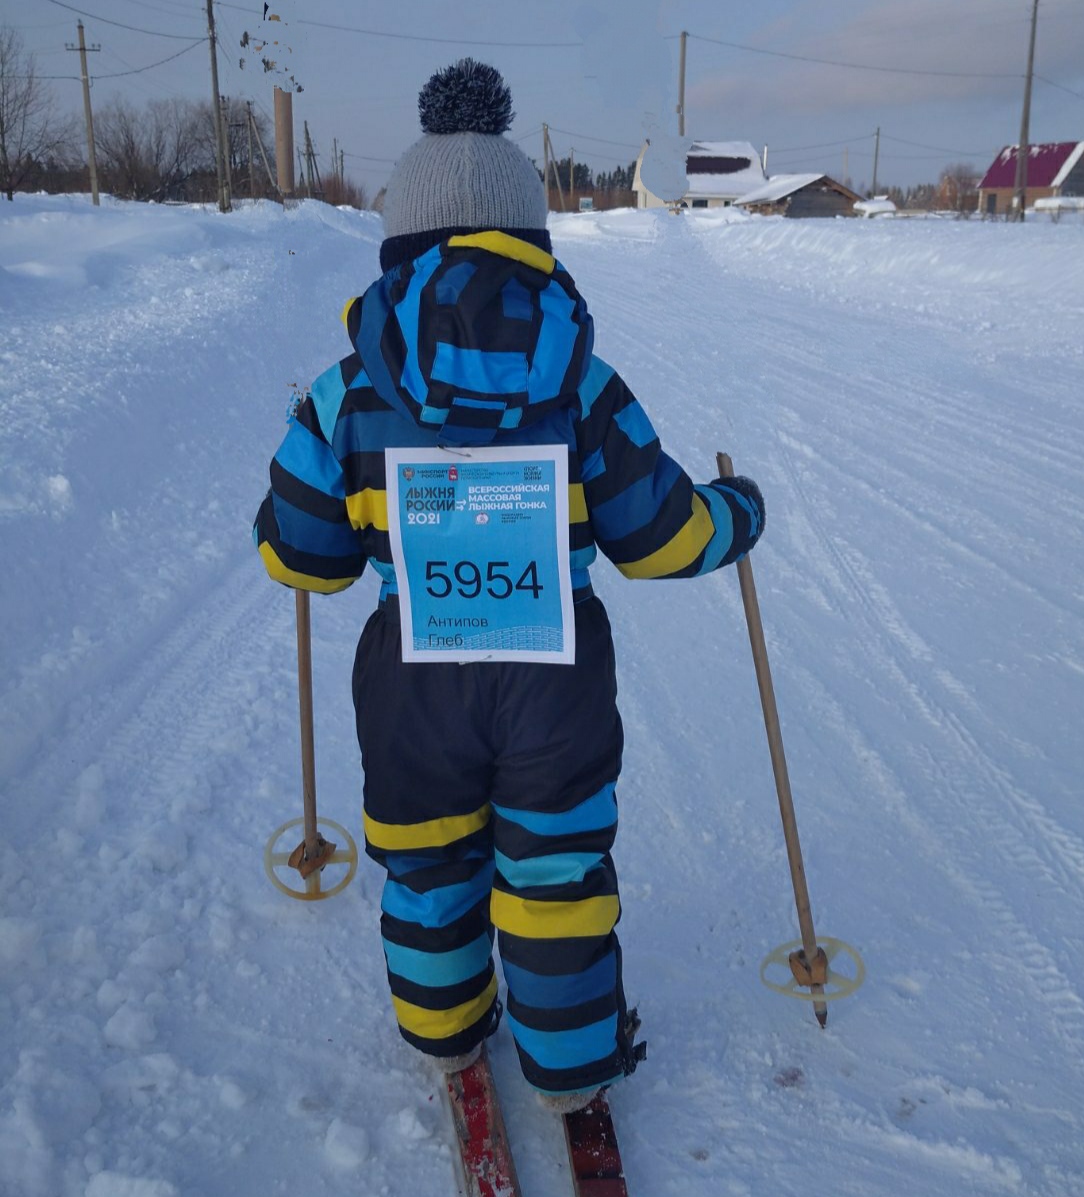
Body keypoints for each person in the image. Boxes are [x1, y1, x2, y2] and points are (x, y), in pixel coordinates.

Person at [252, 59, 765, 1114]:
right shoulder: (581, 382)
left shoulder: (345, 393)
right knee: (554, 874)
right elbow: (660, 536)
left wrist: (287, 521)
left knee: (430, 870)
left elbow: (305, 557)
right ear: (530, 241)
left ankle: (445, 1038)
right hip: (552, 675)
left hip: (414, 679)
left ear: (399, 243)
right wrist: (736, 514)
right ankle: (571, 1072)